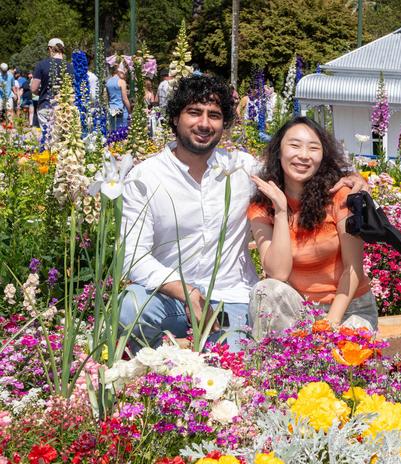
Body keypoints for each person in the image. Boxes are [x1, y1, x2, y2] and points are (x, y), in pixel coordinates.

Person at [119, 76, 366, 354]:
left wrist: (352, 178)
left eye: (214, 115)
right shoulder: (145, 178)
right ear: (175, 118)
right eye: (194, 112)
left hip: (232, 299)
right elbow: (131, 256)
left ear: (224, 125)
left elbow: (294, 164)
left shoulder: (242, 169)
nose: (204, 123)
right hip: (172, 298)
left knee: (232, 363)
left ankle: (194, 353)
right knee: (129, 308)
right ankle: (162, 356)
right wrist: (184, 291)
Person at [247, 117, 378, 337]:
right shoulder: (262, 205)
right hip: (297, 309)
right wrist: (280, 211)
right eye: (295, 145)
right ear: (279, 151)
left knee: (345, 356)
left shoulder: (341, 196)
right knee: (265, 290)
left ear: (322, 156)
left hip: (348, 308)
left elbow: (352, 268)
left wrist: (328, 326)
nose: (304, 155)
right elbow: (278, 273)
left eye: (313, 148)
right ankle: (273, 369)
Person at [31, 38, 73, 133]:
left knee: (47, 139)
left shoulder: (41, 65)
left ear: (50, 49)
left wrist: (42, 92)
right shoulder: (70, 67)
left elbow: (33, 88)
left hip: (45, 106)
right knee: (62, 139)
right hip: (64, 109)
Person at [106, 64, 130, 130]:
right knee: (122, 133)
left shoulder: (108, 82)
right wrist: (130, 111)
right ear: (119, 72)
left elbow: (108, 98)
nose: (125, 76)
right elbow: (125, 99)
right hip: (121, 111)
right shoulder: (122, 82)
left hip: (111, 110)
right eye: (124, 73)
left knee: (113, 132)